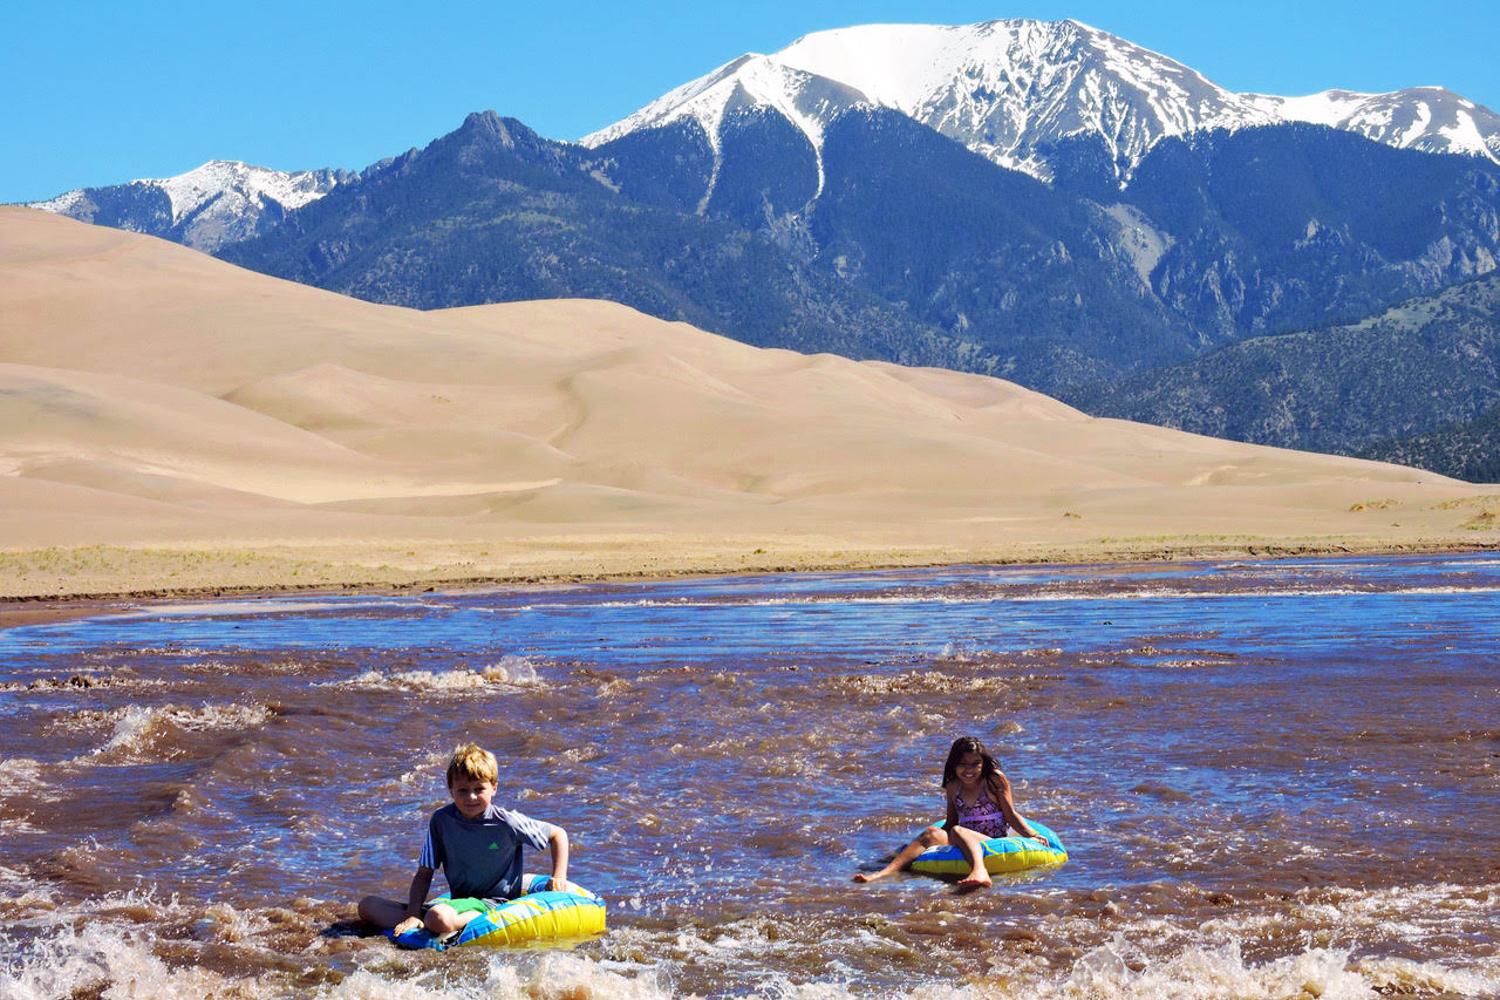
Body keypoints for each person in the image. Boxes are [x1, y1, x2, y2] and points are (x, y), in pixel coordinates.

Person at [358, 743, 572, 940]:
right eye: (462, 790)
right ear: (451, 788)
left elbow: (557, 835)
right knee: (367, 906)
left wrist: (559, 876)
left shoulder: (506, 822)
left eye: (479, 789)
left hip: (494, 905)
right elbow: (424, 874)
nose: (471, 797)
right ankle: (435, 922)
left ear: (494, 787)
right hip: (458, 901)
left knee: (436, 918)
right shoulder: (441, 821)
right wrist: (413, 915)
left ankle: (457, 924)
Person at [852, 735, 1042, 888]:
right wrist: (925, 839)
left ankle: (980, 871)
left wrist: (1031, 835)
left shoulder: (994, 780)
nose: (969, 770)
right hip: (961, 837)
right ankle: (883, 873)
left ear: (983, 764)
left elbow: (1010, 814)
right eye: (962, 764)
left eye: (975, 764)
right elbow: (951, 821)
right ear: (953, 764)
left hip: (992, 838)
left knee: (958, 831)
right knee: (934, 832)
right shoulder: (953, 786)